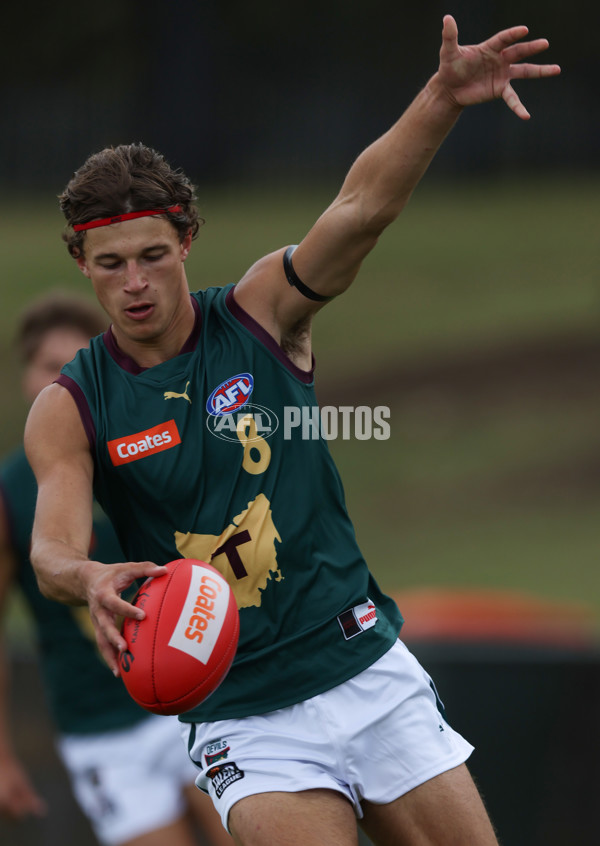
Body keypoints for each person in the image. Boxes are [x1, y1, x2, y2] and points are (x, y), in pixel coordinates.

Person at [24, 16, 560, 846]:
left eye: (153, 255)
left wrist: (444, 98)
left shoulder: (261, 312)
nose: (135, 282)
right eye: (111, 263)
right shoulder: (73, 403)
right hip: (242, 713)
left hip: (360, 663)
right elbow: (51, 547)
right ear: (81, 263)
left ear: (187, 241)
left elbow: (359, 208)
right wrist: (86, 576)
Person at [0, 293, 233, 846]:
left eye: (73, 366)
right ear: (24, 378)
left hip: (199, 696)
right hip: (98, 723)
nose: (59, 384)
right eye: (46, 367)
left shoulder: (152, 452)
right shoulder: (9, 494)